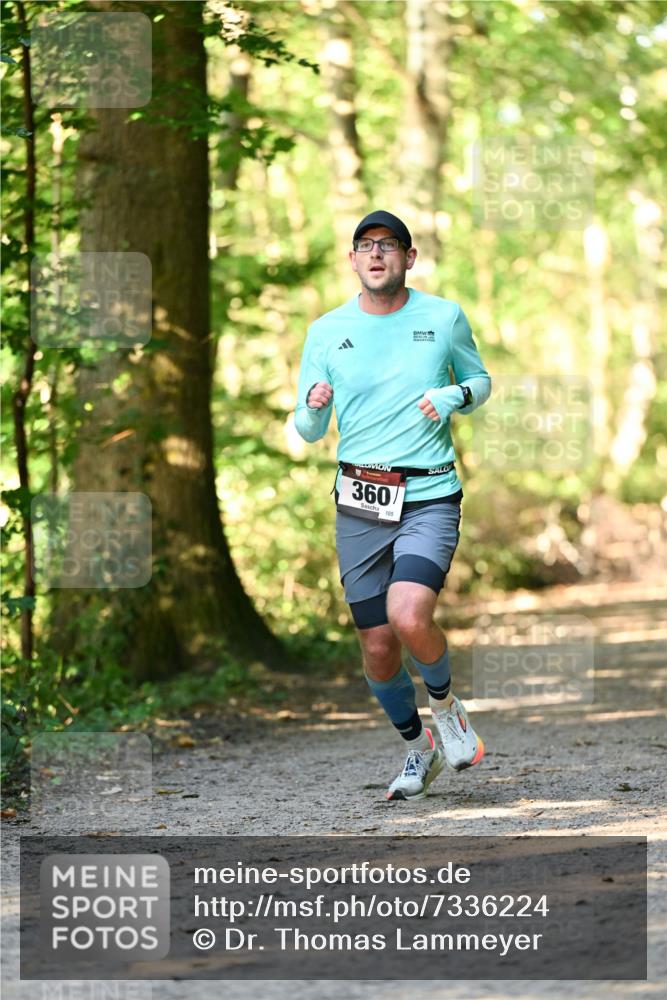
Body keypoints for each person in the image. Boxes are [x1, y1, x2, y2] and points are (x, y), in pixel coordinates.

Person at [294, 210, 492, 801]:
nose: (376, 253)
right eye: (364, 245)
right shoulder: (326, 331)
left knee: (409, 616)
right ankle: (416, 748)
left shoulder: (443, 316)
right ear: (352, 260)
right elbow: (308, 428)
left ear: (409, 258)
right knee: (378, 647)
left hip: (429, 492)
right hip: (359, 500)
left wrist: (453, 394)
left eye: (388, 245)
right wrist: (311, 402)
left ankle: (448, 710)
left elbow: (479, 380)